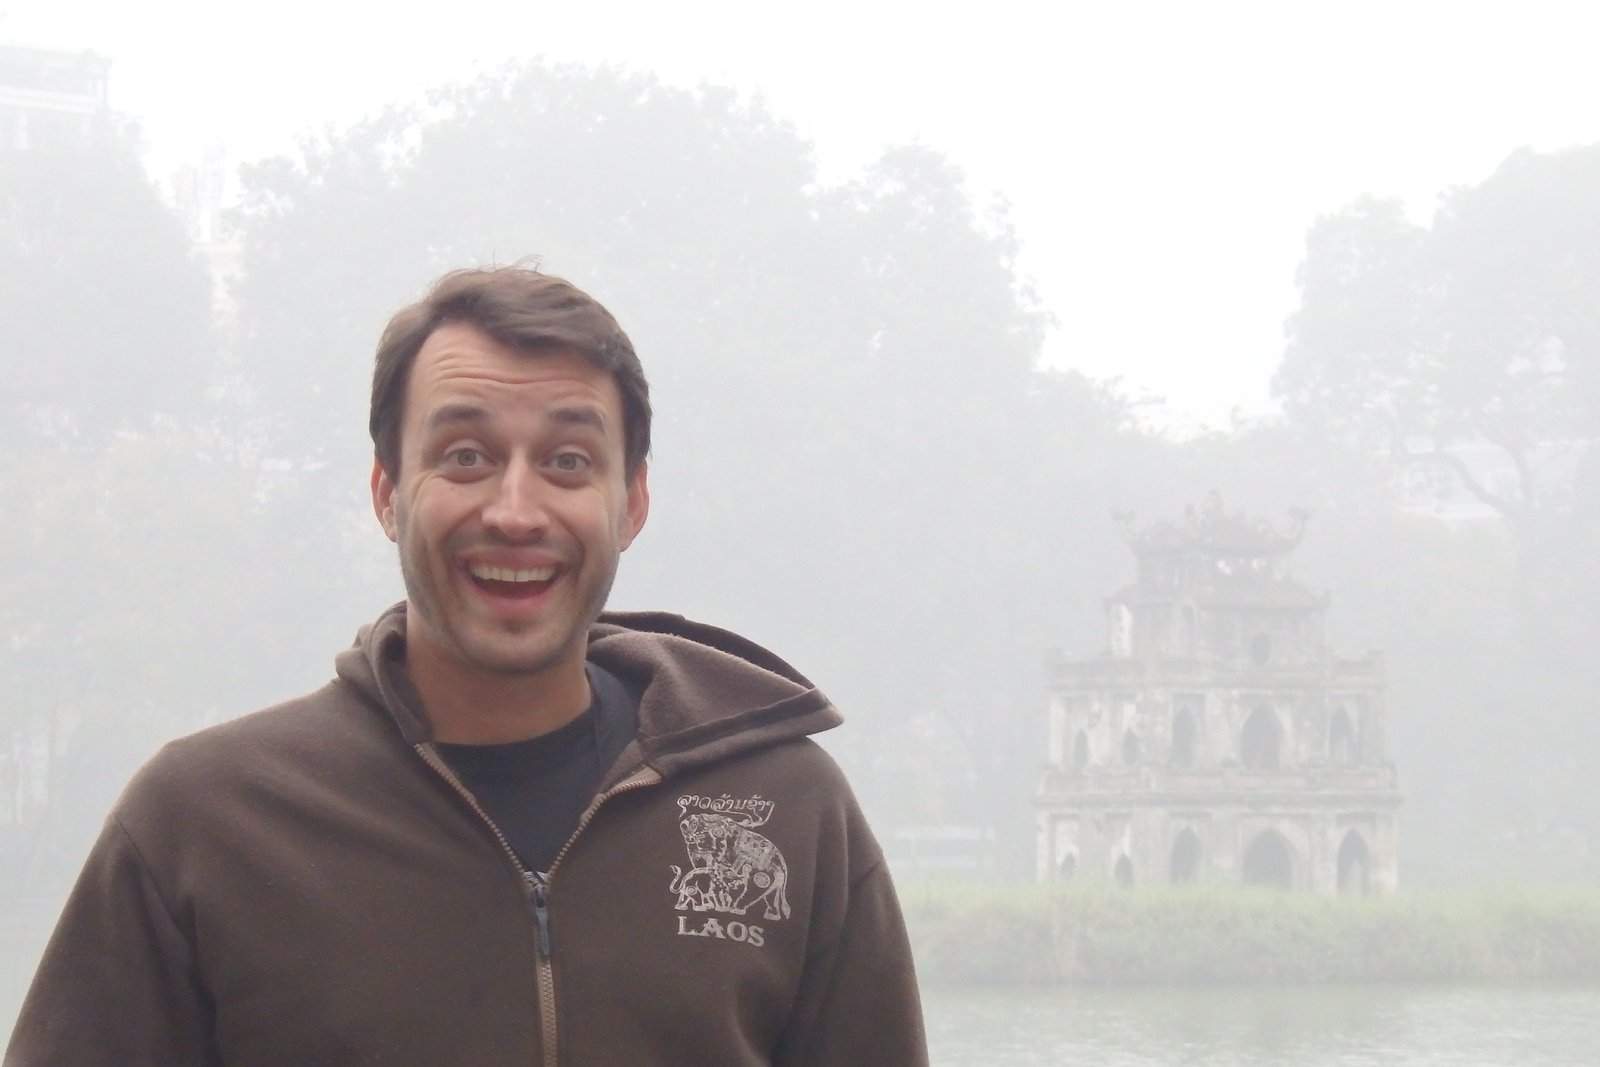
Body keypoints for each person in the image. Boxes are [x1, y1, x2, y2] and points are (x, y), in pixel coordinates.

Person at [5, 267, 928, 1066]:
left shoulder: (787, 811)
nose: (516, 510)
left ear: (631, 502)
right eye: (466, 456)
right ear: (388, 493)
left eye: (568, 460)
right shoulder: (205, 825)